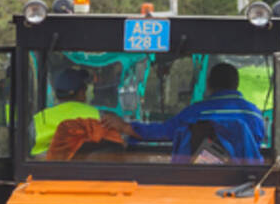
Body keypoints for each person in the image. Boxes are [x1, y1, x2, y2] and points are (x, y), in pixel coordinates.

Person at [107, 61, 266, 163]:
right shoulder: (254, 114)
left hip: (195, 182)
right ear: (236, 84)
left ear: (208, 84)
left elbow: (163, 132)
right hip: (244, 185)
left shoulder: (194, 113)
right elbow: (256, 146)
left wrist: (125, 127)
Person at [31, 67, 100, 157]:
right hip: (84, 168)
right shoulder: (96, 115)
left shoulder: (39, 118)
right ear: (81, 92)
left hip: (43, 168)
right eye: (85, 89)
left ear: (56, 94)